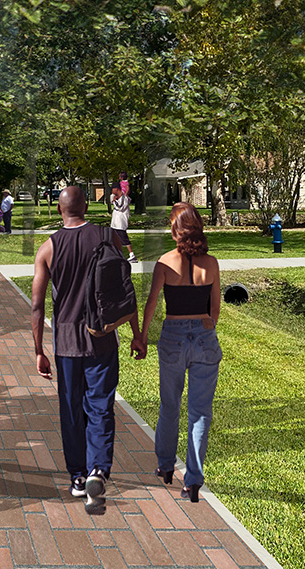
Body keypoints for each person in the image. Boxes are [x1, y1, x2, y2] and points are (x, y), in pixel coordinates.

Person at [29, 186, 146, 514]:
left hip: (66, 345)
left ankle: (79, 477)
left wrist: (38, 349)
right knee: (100, 408)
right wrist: (136, 334)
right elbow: (125, 290)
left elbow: (37, 306)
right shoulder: (109, 237)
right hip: (103, 339)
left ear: (58, 209)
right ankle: (98, 469)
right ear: (87, 206)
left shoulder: (48, 248)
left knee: (71, 413)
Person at [138, 202, 222, 503]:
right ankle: (193, 481)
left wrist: (143, 337)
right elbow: (215, 309)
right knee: (200, 413)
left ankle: (164, 465)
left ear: (176, 230)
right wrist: (206, 324)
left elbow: (151, 305)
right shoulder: (211, 264)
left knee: (169, 406)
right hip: (204, 338)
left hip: (172, 337)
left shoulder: (164, 262)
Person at [109, 187, 136, 262]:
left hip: (120, 223)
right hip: (115, 223)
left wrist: (114, 201)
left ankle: (132, 255)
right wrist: (114, 198)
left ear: (117, 189)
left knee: (124, 239)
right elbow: (112, 200)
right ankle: (116, 255)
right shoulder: (118, 197)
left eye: (113, 189)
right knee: (114, 239)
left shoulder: (125, 198)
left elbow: (120, 208)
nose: (112, 191)